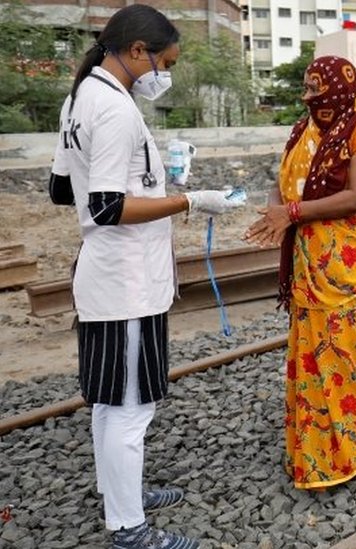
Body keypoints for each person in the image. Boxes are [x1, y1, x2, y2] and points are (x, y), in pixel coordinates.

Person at [47, 5, 245, 548]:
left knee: (111, 401)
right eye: (166, 62)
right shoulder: (113, 110)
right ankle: (129, 529)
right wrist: (187, 199)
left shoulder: (81, 96)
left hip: (108, 276)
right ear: (138, 51)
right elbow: (107, 206)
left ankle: (122, 495)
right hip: (126, 283)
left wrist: (152, 182)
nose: (166, 74)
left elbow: (64, 190)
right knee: (131, 407)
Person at [243, 56, 356, 487]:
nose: (309, 97)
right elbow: (285, 179)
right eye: (307, 88)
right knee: (319, 357)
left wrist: (291, 212)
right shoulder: (303, 131)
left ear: (340, 88)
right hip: (312, 265)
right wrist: (276, 212)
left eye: (316, 88)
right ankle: (323, 453)